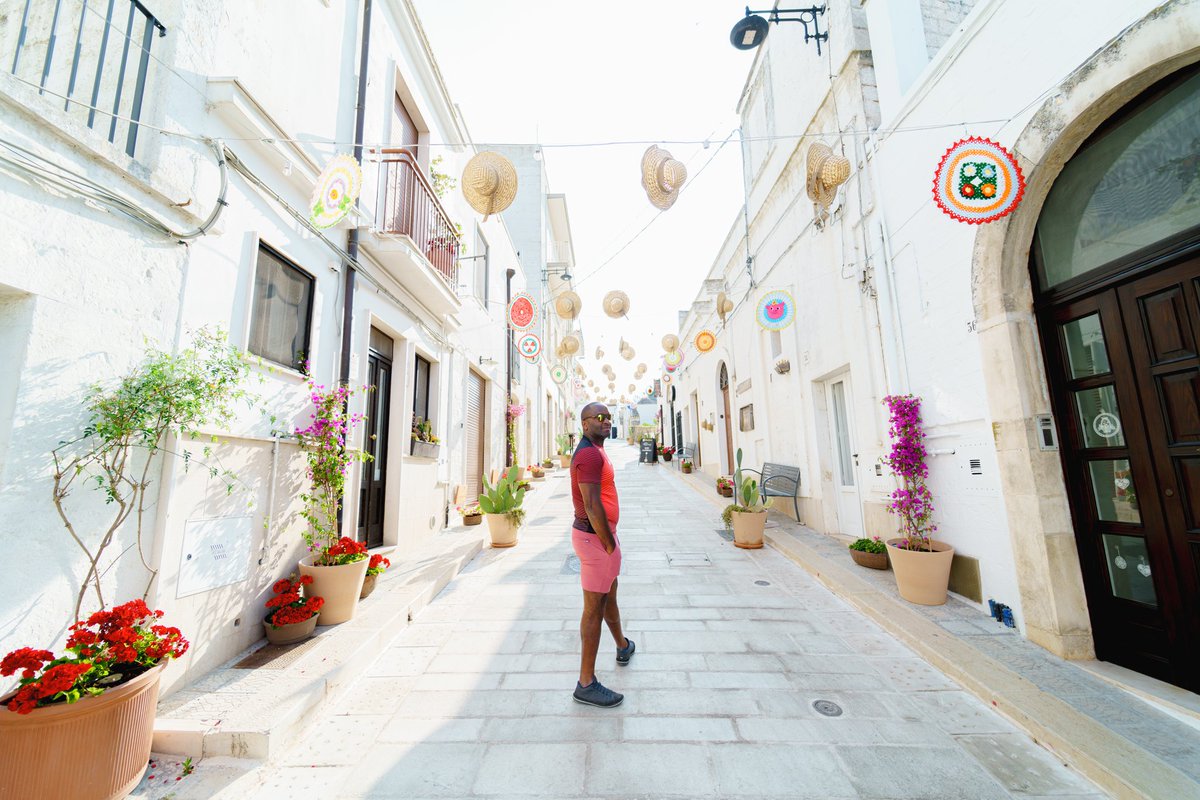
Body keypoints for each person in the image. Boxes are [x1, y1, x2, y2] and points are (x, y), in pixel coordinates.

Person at [570, 402, 635, 707]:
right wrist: (609, 544)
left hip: (601, 538)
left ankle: (622, 645)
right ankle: (586, 683)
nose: (607, 421)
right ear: (585, 424)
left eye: (609, 417)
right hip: (595, 539)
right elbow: (591, 504)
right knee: (593, 608)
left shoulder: (595, 450)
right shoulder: (587, 454)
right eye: (600, 417)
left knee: (610, 594)